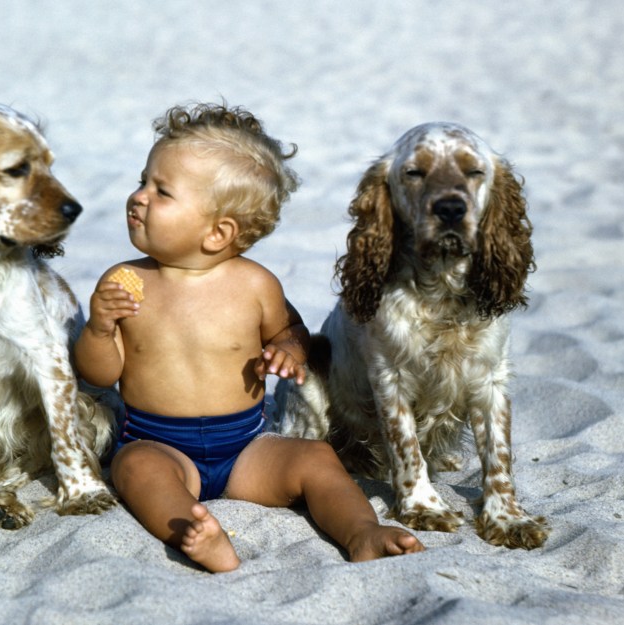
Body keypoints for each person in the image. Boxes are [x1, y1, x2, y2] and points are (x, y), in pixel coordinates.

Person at [73, 102, 424, 572]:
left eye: (162, 192)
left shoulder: (255, 285)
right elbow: (97, 374)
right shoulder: (123, 282)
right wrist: (99, 328)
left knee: (315, 459)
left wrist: (288, 350)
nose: (139, 197)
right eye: (142, 181)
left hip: (246, 447)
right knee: (135, 469)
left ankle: (362, 531)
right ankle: (196, 533)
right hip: (160, 442)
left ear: (218, 233)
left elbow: (292, 331)